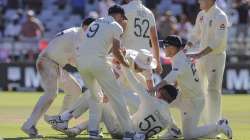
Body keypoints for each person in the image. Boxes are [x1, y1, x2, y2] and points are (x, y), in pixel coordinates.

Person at [45, 50, 181, 139]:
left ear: (162, 93)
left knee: (96, 96)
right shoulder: (167, 117)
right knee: (105, 103)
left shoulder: (147, 88)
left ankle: (67, 118)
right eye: (142, 67)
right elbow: (173, 130)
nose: (145, 70)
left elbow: (136, 85)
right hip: (133, 117)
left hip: (124, 124)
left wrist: (124, 67)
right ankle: (77, 128)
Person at [21, 17, 96, 138]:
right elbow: (79, 62)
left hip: (56, 65)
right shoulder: (79, 36)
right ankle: (29, 125)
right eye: (92, 28)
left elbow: (72, 60)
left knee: (75, 89)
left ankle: (60, 120)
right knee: (51, 93)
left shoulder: (77, 35)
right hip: (47, 61)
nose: (94, 32)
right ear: (86, 27)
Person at [73, 5, 135, 139]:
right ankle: (129, 132)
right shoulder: (116, 26)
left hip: (81, 62)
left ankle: (93, 133)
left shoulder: (96, 22)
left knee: (96, 98)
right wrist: (126, 64)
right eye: (122, 18)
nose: (122, 21)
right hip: (97, 62)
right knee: (117, 98)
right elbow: (116, 51)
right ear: (119, 15)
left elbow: (94, 45)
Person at [155, 35, 232, 139]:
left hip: (194, 101)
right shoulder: (180, 56)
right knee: (160, 103)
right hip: (185, 96)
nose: (163, 48)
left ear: (173, 48)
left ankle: (219, 126)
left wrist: (155, 88)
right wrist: (176, 86)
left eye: (165, 45)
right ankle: (173, 130)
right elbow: (182, 75)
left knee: (189, 135)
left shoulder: (179, 60)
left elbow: (172, 76)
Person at [185, 0, 229, 128]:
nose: (199, 1)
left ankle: (214, 125)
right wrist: (186, 48)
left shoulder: (220, 16)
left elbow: (217, 41)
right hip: (201, 57)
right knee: (199, 90)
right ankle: (203, 124)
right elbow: (195, 34)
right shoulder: (201, 14)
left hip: (215, 57)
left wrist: (198, 54)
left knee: (213, 90)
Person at [120, 0, 163, 91]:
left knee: (121, 89)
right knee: (147, 89)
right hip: (144, 57)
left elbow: (116, 33)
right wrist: (158, 62)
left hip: (127, 54)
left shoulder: (123, 9)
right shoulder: (149, 13)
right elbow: (154, 39)